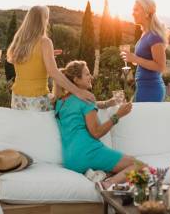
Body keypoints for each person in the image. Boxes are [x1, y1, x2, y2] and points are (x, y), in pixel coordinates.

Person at [54, 60, 138, 188]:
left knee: (121, 166)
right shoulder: (86, 101)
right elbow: (96, 132)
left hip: (70, 160)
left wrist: (108, 103)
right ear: (76, 79)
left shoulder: (61, 102)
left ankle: (98, 174)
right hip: (88, 151)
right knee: (138, 165)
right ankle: (107, 184)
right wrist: (118, 115)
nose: (91, 77)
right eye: (87, 74)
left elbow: (82, 105)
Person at [7, 5, 95, 110]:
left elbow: (29, 63)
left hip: (17, 98)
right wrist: (78, 92)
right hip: (37, 99)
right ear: (43, 20)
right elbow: (54, 73)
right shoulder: (45, 42)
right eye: (46, 18)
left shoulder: (19, 42)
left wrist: (46, 56)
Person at [121, 0, 168, 102]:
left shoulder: (154, 36)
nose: (132, 13)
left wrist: (135, 58)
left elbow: (161, 66)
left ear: (147, 13)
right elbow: (142, 61)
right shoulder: (145, 34)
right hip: (142, 87)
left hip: (151, 89)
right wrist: (132, 59)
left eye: (136, 10)